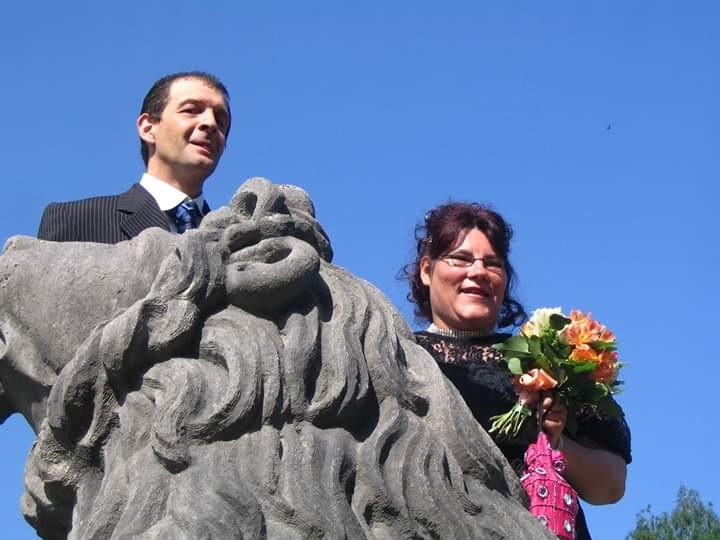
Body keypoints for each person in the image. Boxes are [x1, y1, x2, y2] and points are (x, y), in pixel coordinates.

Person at [404, 201, 632, 540]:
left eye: (492, 263)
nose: (478, 272)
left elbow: (610, 487)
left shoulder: (551, 357)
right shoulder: (397, 356)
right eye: (461, 259)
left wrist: (555, 442)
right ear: (427, 269)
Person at [37, 71, 231, 243]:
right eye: (191, 110)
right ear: (148, 128)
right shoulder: (76, 221)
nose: (211, 123)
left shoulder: (233, 240)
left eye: (221, 120)